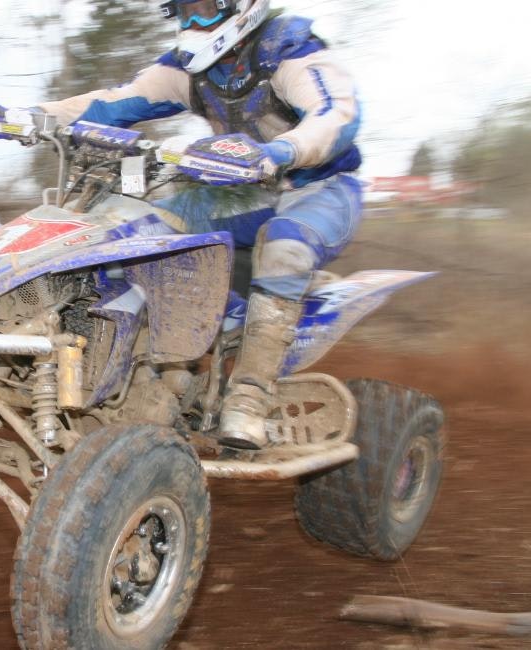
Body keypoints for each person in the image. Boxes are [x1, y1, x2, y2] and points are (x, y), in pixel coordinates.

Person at [33, 0, 364, 450]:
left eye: (205, 9)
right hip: (244, 192)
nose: (192, 23)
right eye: (183, 11)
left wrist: (280, 151)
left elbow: (335, 115)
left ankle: (249, 395)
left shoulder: (290, 52)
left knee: (286, 246)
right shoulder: (189, 70)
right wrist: (32, 116)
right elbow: (112, 103)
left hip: (317, 189)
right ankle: (163, 369)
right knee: (141, 218)